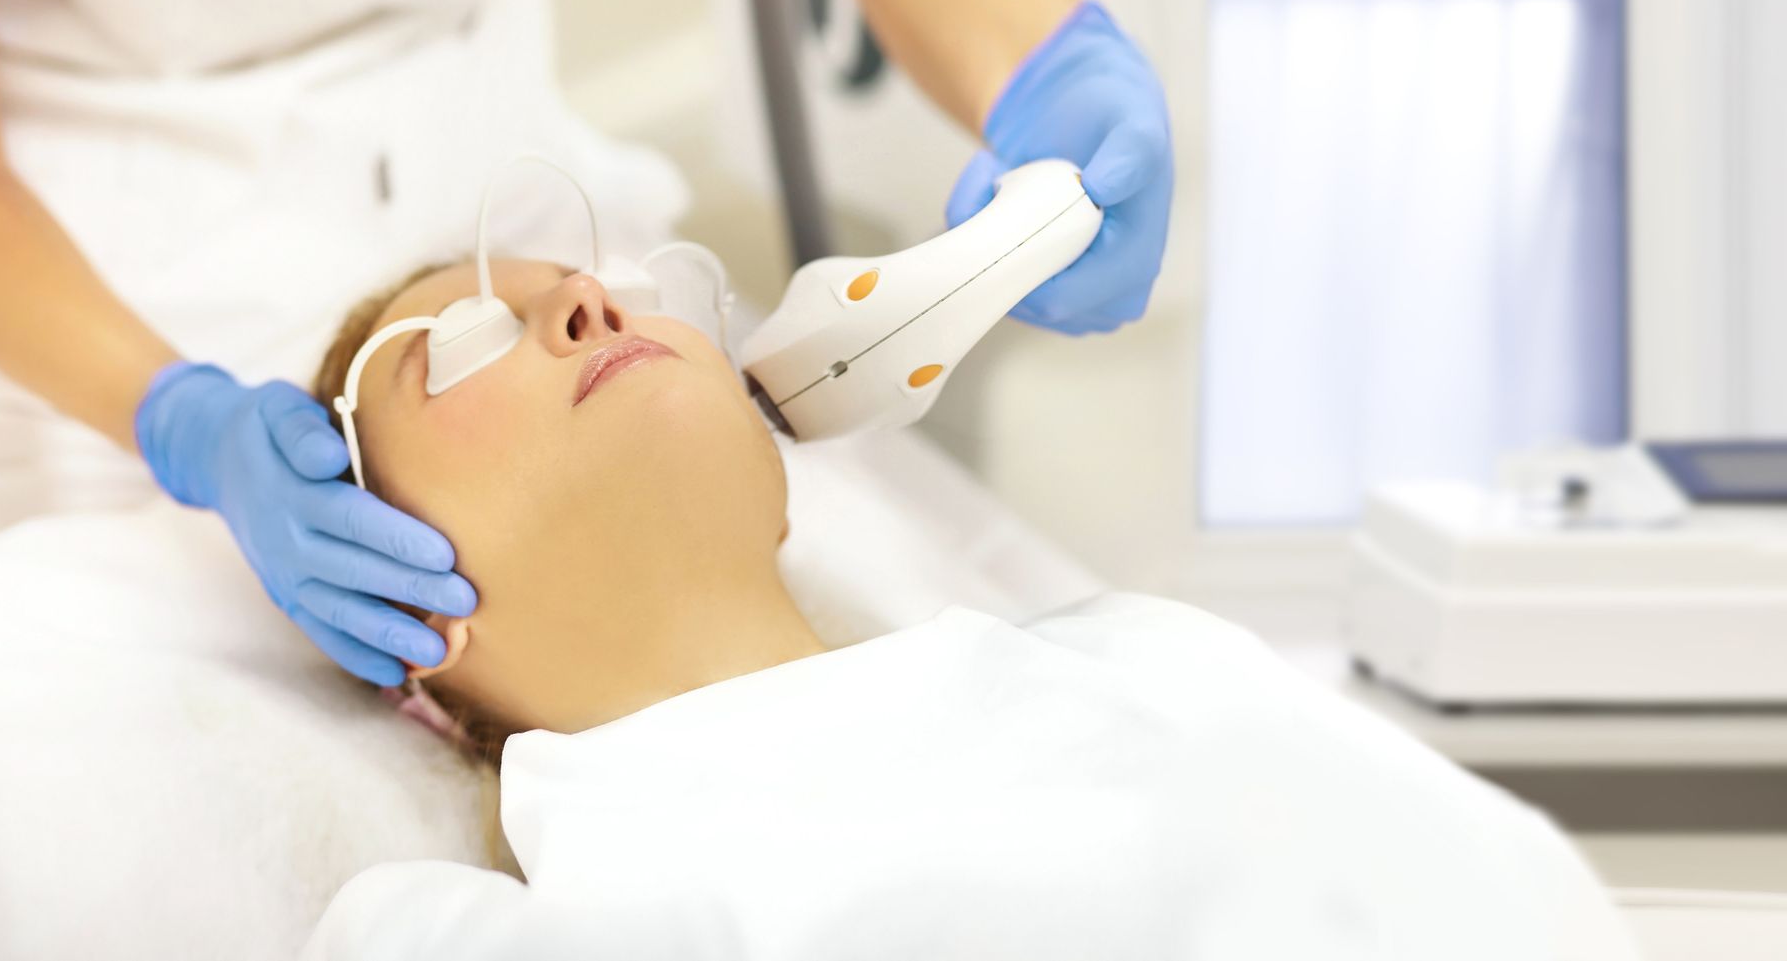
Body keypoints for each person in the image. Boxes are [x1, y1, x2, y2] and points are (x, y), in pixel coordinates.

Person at [0, 0, 1173, 698]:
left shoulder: (1116, 707)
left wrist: (1046, 61)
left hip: (504, 163)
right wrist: (184, 422)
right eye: (465, 346)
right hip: (86, 294)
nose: (599, 317)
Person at [295, 258, 1632, 961]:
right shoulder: (449, 931)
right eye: (463, 342)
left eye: (621, 282)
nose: (590, 298)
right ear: (398, 622)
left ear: (777, 487)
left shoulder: (1142, 650)